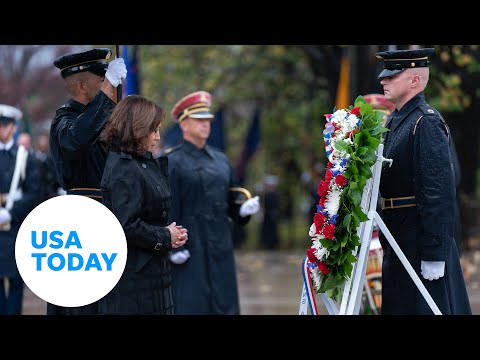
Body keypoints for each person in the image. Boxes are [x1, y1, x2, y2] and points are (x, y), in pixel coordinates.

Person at [376, 47, 471, 315]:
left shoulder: (425, 123)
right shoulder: (397, 120)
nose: (383, 80)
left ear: (414, 80)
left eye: (392, 76)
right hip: (400, 239)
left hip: (419, 242)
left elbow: (438, 193)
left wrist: (434, 252)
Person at [164, 90, 260, 315]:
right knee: (192, 304)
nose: (205, 125)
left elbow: (230, 198)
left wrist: (242, 210)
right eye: (198, 120)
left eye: (207, 120)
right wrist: (174, 246)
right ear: (184, 124)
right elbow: (169, 206)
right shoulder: (172, 161)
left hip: (219, 243)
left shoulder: (220, 160)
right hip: (190, 245)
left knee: (224, 302)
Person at [47, 47, 127, 315]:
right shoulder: (65, 119)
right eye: (102, 81)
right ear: (81, 85)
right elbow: (75, 140)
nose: (108, 85)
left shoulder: (102, 118)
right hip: (81, 223)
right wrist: (108, 92)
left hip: (110, 216)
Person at [98, 94, 188, 315]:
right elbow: (125, 225)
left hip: (151, 269)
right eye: (154, 130)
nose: (158, 137)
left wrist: (172, 234)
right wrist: (165, 236)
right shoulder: (123, 167)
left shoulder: (142, 162)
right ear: (138, 129)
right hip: (133, 277)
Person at [0, 104, 40, 315]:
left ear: (13, 128)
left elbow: (34, 192)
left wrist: (11, 213)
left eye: (5, 125)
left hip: (15, 228)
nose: (1, 129)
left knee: (16, 285)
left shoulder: (24, 158)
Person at [260, 175, 280, 250]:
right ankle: (266, 243)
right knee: (266, 230)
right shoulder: (266, 195)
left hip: (272, 215)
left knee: (273, 230)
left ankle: (272, 244)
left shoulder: (275, 195)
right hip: (267, 215)